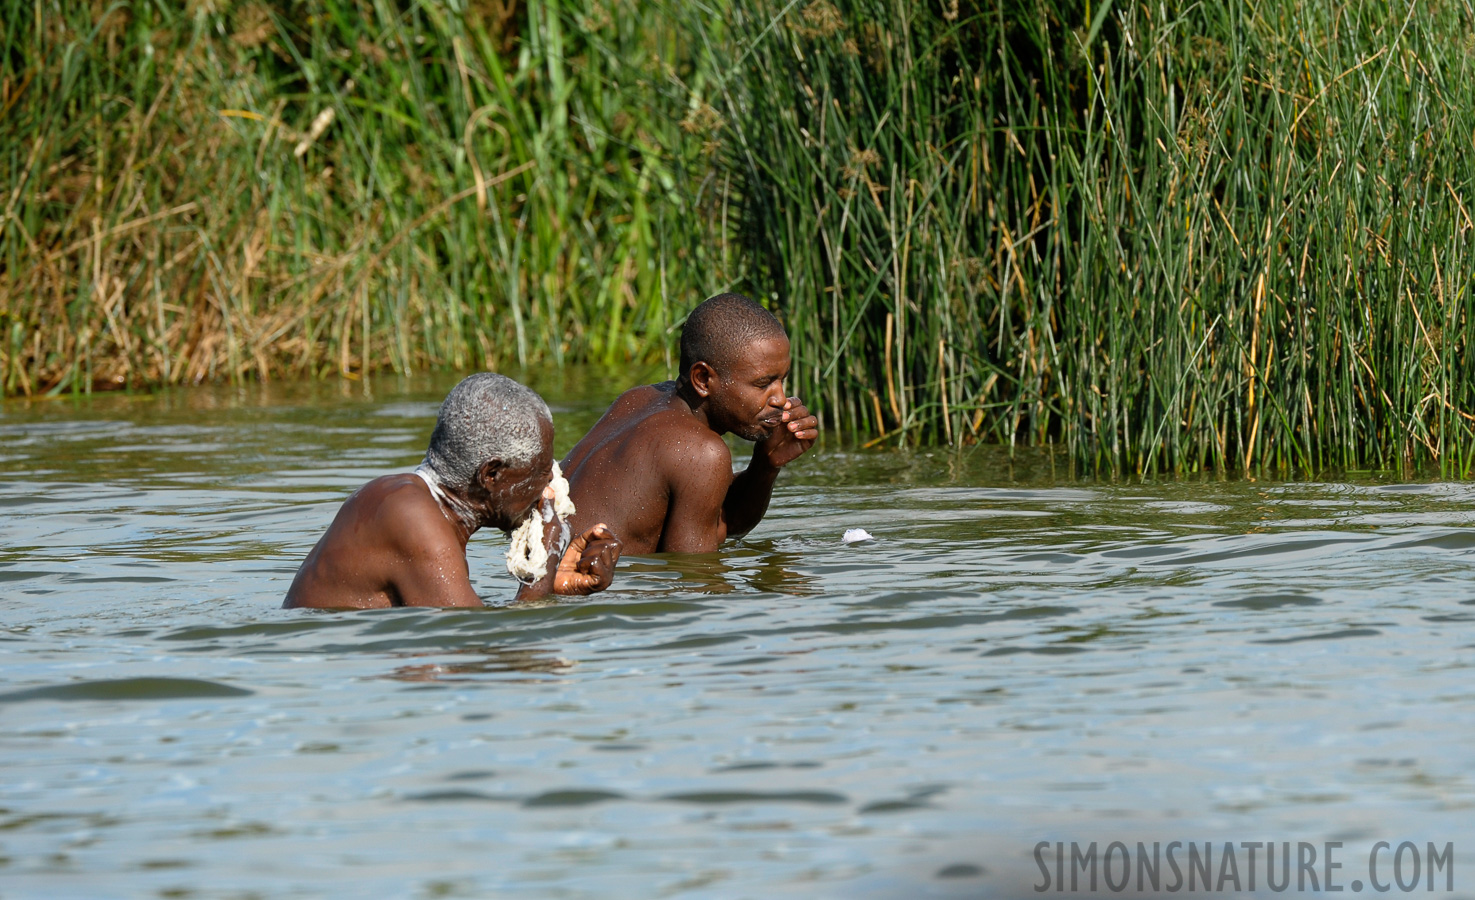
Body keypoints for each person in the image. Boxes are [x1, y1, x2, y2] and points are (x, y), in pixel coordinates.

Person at [283, 373, 622, 609]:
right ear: (492, 474)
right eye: (538, 469)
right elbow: (477, 649)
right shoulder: (412, 517)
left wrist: (555, 586)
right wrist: (545, 560)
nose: (549, 482)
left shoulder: (407, 501)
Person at [561, 292, 819, 554]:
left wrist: (765, 465)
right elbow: (695, 581)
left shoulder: (637, 399)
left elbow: (718, 521)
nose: (780, 398)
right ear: (703, 379)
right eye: (763, 384)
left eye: (781, 380)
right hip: (588, 592)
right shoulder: (702, 453)